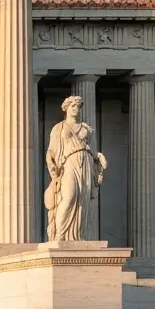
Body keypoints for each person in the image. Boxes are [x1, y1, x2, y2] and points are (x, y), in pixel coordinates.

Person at [45, 94, 107, 241]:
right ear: (66, 108)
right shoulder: (59, 128)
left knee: (82, 201)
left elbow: (92, 150)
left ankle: (77, 236)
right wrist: (51, 165)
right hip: (68, 163)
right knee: (69, 197)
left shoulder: (87, 129)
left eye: (78, 107)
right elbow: (51, 150)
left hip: (85, 163)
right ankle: (59, 235)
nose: (76, 110)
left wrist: (99, 157)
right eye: (73, 106)